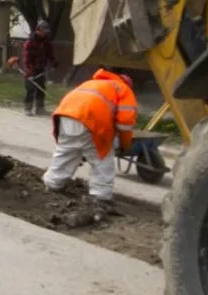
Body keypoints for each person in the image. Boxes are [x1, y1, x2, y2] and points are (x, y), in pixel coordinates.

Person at [41, 68, 138, 211]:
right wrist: (125, 144)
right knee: (101, 159)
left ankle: (52, 184)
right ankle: (100, 196)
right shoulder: (124, 89)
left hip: (64, 116)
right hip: (92, 121)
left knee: (66, 153)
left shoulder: (91, 83)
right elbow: (125, 123)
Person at [22, 21, 56, 116]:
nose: (45, 33)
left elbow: (50, 53)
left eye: (46, 31)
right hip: (30, 68)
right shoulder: (30, 42)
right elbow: (26, 58)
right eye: (43, 31)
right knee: (30, 88)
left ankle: (40, 108)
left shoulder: (46, 42)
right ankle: (28, 108)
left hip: (41, 67)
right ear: (38, 30)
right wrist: (29, 70)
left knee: (41, 88)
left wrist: (54, 62)